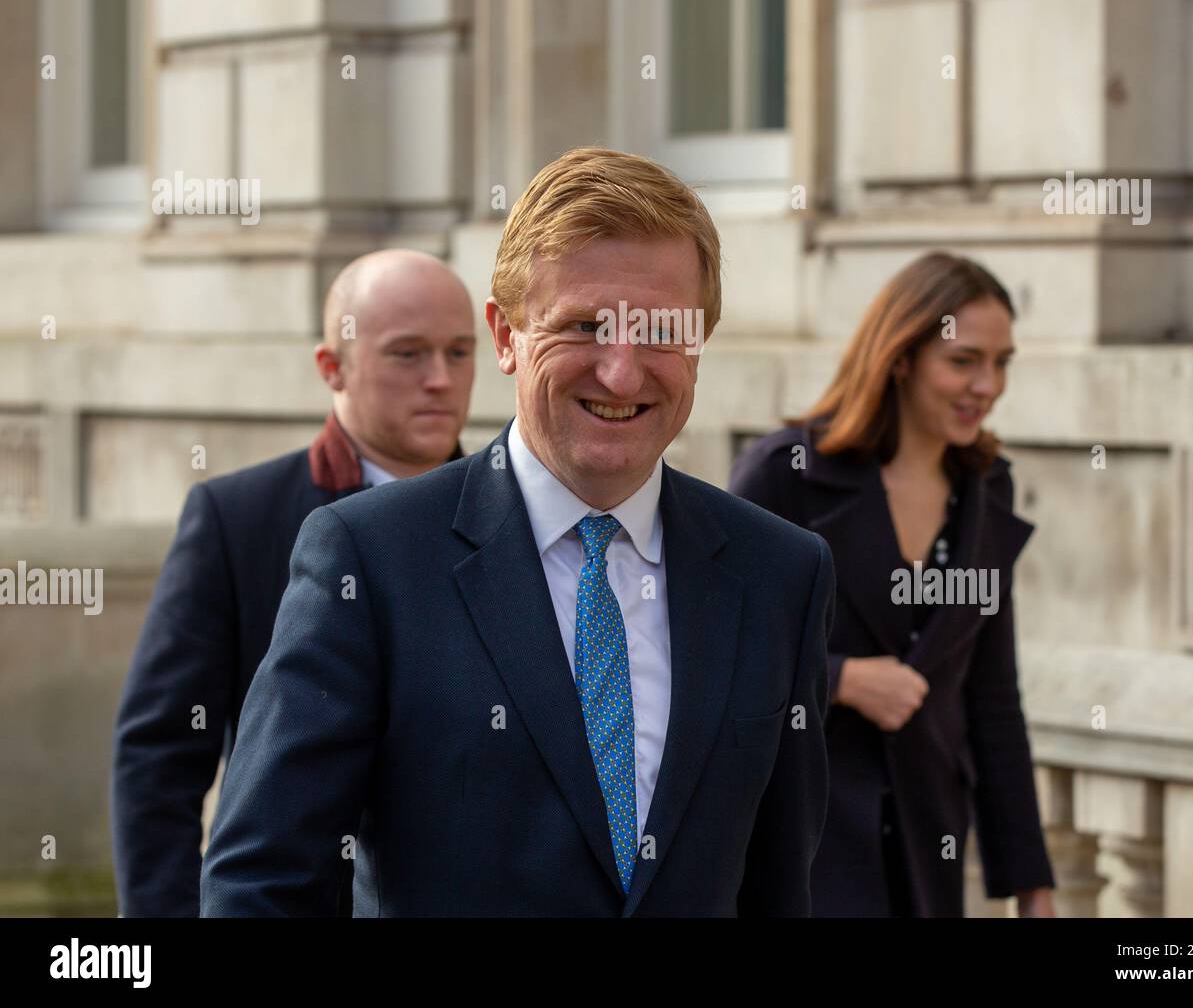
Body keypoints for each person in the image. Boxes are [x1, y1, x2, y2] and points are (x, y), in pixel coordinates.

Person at [199, 147, 835, 917]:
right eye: (586, 326)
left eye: (662, 330)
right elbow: (262, 886)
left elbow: (780, 890)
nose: (623, 372)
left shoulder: (781, 573)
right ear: (505, 336)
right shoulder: (370, 559)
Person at [111, 250, 475, 916]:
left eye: (459, 351)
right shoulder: (236, 517)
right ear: (330, 367)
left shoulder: (514, 519)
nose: (440, 379)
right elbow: (158, 758)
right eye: (407, 353)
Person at [730, 251, 1056, 918]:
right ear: (902, 356)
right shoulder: (785, 471)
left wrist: (1033, 885)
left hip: (928, 848)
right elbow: (714, 654)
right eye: (964, 360)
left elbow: (994, 699)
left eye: (1001, 362)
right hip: (805, 846)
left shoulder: (986, 491)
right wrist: (842, 677)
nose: (987, 385)